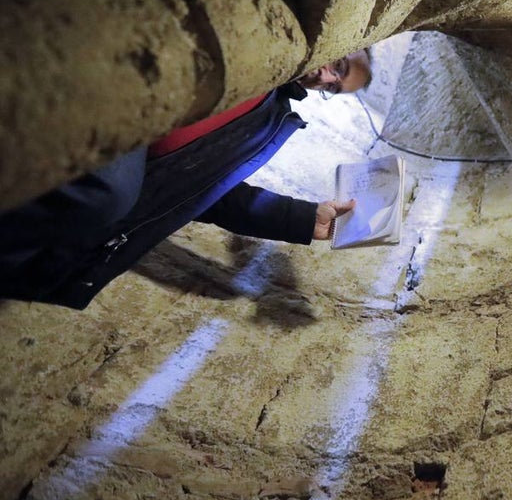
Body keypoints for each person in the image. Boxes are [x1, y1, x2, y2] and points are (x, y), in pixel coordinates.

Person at [0, 50, 373, 310]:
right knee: (108, 191)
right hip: (82, 102)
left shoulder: (266, 118)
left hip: (62, 214)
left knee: (108, 195)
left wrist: (304, 218)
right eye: (337, 65)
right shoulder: (254, 54)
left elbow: (196, 188)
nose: (324, 78)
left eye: (331, 87)